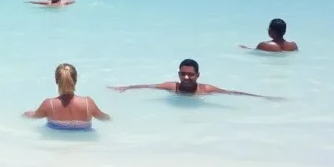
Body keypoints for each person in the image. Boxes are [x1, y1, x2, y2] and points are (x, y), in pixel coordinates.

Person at [108, 59, 284, 101]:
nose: (186, 77)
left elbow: (231, 92)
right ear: (178, 74)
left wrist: (263, 97)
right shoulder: (173, 87)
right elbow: (149, 86)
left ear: (198, 76)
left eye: (190, 75)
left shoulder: (205, 90)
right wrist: (126, 87)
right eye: (183, 74)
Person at [24, 63, 110, 129]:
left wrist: (24, 114)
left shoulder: (49, 104)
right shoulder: (88, 103)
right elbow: (105, 118)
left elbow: (33, 116)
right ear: (75, 81)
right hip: (84, 146)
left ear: (57, 81)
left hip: (56, 143)